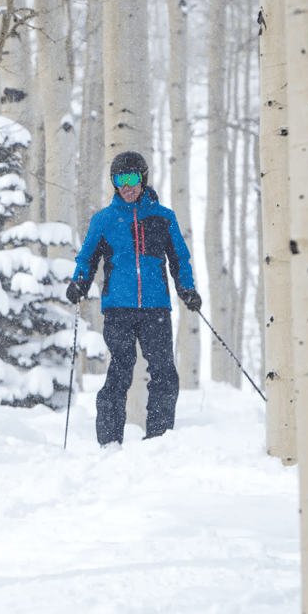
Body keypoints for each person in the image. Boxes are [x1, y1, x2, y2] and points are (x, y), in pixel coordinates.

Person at [66, 151, 201, 447]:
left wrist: (187, 289)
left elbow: (180, 258)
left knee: (164, 371)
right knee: (121, 367)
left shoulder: (164, 217)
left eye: (132, 178)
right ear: (114, 183)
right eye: (120, 179)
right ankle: (110, 441)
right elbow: (87, 258)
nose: (126, 186)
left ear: (143, 179)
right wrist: (79, 283)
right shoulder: (104, 220)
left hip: (156, 307)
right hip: (118, 308)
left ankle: (159, 438)